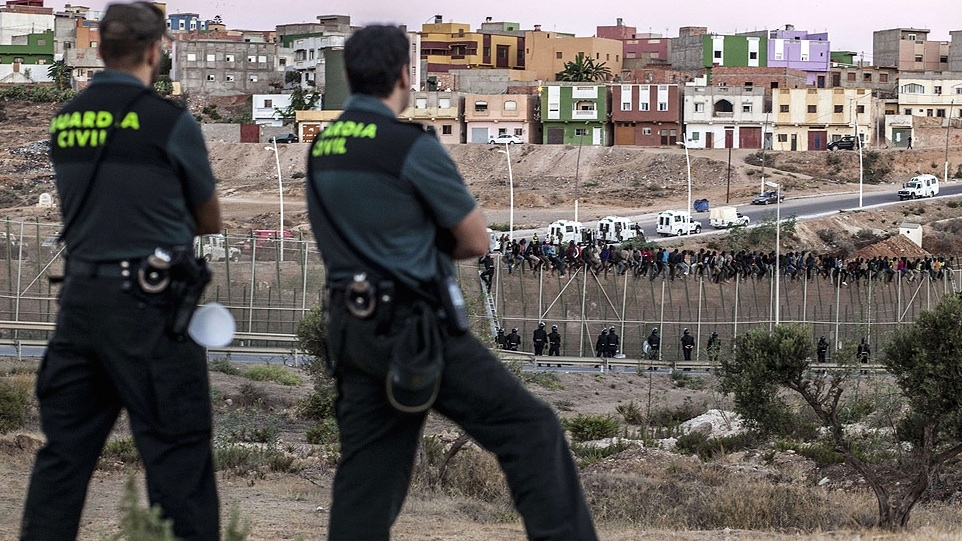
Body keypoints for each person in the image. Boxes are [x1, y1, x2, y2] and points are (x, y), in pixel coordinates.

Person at [305, 25, 597, 541]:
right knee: (531, 431)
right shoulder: (407, 144)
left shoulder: (322, 148)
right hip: (417, 330)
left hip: (351, 331)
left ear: (350, 77)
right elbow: (475, 239)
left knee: (367, 482)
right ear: (404, 74)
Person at [21, 3, 223, 540]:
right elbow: (210, 217)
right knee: (179, 461)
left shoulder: (65, 118)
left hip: (81, 301)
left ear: (101, 50)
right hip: (150, 308)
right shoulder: (169, 121)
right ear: (156, 52)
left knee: (63, 458)